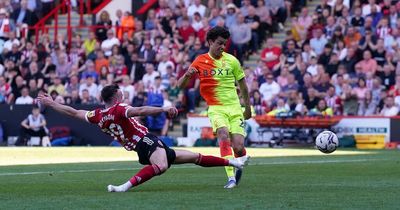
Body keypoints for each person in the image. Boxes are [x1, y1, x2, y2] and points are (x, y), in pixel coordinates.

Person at [37, 84, 249, 192]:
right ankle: (123, 187)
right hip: (144, 140)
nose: (123, 95)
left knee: (193, 157)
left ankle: (235, 162)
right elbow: (140, 110)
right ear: (116, 97)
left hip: (140, 146)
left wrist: (52, 104)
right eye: (121, 93)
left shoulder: (97, 115)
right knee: (163, 166)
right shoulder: (120, 108)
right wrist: (163, 109)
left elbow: (73, 112)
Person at [177, 26, 252, 189]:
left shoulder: (232, 61)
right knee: (223, 135)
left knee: (238, 147)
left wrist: (248, 108)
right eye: (219, 43)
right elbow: (180, 86)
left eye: (225, 44)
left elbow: (244, 87)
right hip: (216, 109)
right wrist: (187, 75)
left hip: (234, 108)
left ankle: (241, 160)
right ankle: (231, 178)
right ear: (210, 42)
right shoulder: (199, 61)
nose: (222, 47)